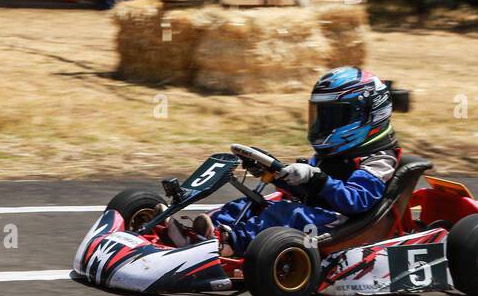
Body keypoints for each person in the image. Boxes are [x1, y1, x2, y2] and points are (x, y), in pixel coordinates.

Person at [166, 67, 400, 256]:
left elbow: (357, 201)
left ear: (368, 114)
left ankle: (226, 245)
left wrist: (317, 179)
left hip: (341, 225)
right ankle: (203, 233)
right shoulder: (334, 154)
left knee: (284, 213)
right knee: (248, 204)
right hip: (316, 212)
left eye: (334, 116)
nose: (325, 123)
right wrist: (276, 173)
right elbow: (306, 189)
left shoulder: (377, 159)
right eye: (322, 115)